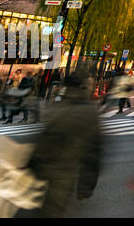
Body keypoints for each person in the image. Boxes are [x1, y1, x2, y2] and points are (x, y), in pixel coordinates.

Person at [27, 73, 102, 216]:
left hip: (39, 169)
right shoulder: (88, 112)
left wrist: (30, 164)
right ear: (84, 87)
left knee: (31, 209)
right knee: (51, 211)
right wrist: (86, 185)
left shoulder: (56, 104)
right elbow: (93, 152)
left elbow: (40, 138)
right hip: (64, 174)